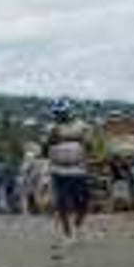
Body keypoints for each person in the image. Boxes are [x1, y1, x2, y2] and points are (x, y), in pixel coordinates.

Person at [43, 99, 92, 244]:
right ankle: (67, 233)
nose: (59, 116)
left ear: (69, 112)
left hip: (79, 170)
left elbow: (90, 145)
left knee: (83, 201)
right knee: (62, 202)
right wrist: (50, 139)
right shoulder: (50, 128)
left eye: (62, 113)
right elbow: (44, 150)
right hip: (58, 170)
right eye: (57, 114)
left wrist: (82, 139)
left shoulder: (81, 126)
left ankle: (78, 224)